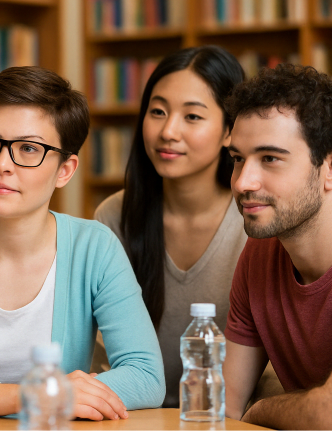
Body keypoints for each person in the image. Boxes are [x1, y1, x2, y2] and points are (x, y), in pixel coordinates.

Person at [0, 66, 164, 420]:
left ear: (65, 170)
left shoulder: (94, 247)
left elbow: (146, 375)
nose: (2, 164)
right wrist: (37, 396)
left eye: (28, 149)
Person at [93, 46, 247, 408]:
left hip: (226, 418)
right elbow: (97, 356)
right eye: (157, 111)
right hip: (129, 414)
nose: (168, 131)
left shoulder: (253, 223)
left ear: (230, 130)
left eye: (192, 117)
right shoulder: (114, 216)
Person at [222, 63, 332, 431]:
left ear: (328, 168)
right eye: (238, 159)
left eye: (270, 158)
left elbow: (326, 414)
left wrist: (258, 411)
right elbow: (223, 407)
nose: (242, 182)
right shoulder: (260, 255)